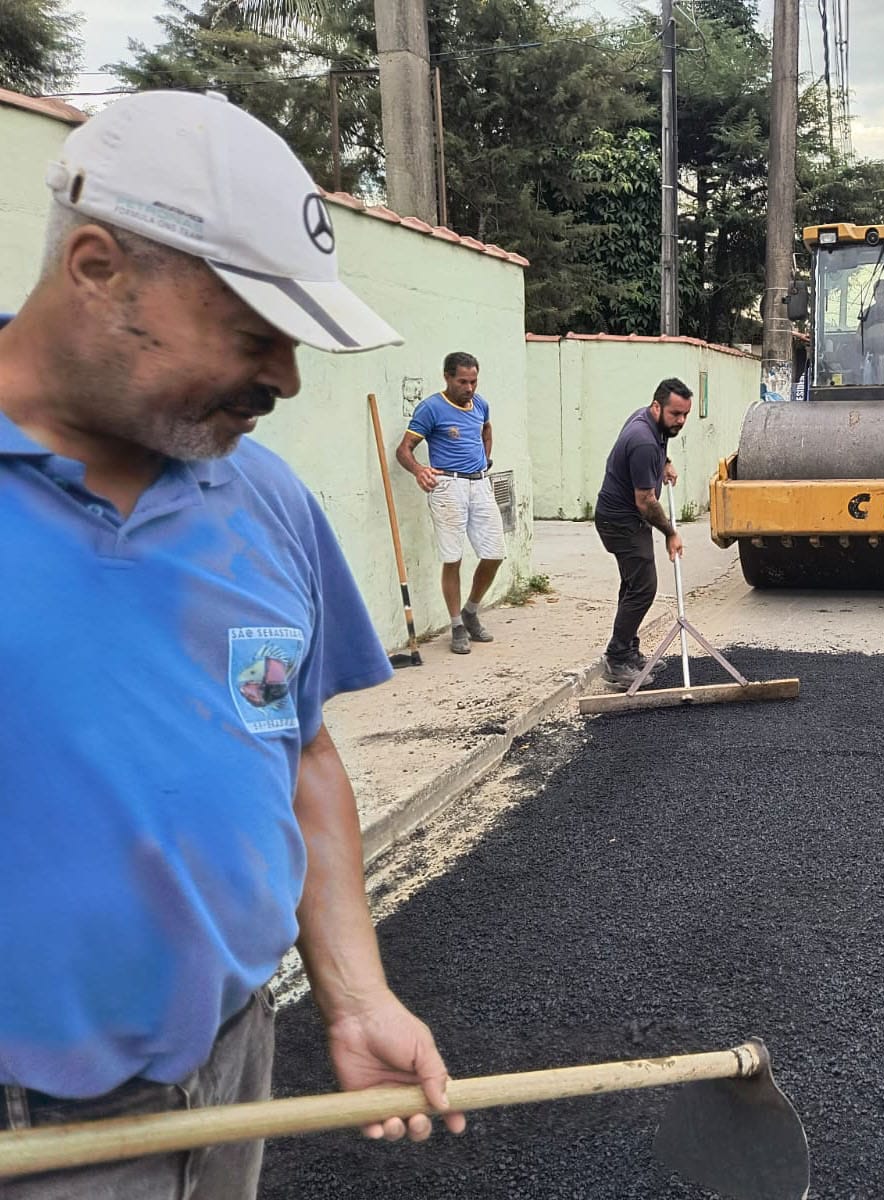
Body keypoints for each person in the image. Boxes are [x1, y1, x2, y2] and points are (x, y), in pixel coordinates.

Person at [0, 91, 463, 1198]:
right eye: (254, 335)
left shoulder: (265, 499)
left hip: (235, 1069)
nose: (286, 380)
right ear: (99, 268)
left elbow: (300, 755)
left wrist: (354, 997)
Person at [397, 352, 506, 655]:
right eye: (462, 381)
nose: (469, 388)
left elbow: (486, 429)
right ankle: (457, 624)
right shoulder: (431, 408)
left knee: (495, 552)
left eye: (473, 381)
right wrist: (419, 470)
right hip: (448, 486)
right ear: (447, 377)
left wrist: (485, 457)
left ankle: (471, 610)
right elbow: (404, 448)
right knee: (453, 557)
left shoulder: (480, 403)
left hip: (479, 482)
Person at [594, 379, 693, 688]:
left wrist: (665, 462)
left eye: (685, 414)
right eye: (676, 414)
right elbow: (646, 501)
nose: (680, 421)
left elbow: (658, 447)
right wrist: (670, 533)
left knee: (633, 583)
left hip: (623, 518)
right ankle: (617, 658)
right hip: (622, 521)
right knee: (644, 587)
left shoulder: (649, 424)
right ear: (657, 406)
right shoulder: (643, 441)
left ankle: (630, 650)